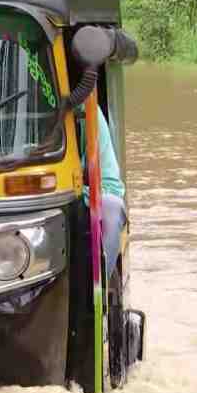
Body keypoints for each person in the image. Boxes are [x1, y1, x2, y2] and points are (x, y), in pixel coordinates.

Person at [79, 104, 127, 276]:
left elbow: (111, 186)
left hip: (70, 200)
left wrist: (77, 190)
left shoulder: (87, 110)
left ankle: (98, 294)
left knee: (111, 206)